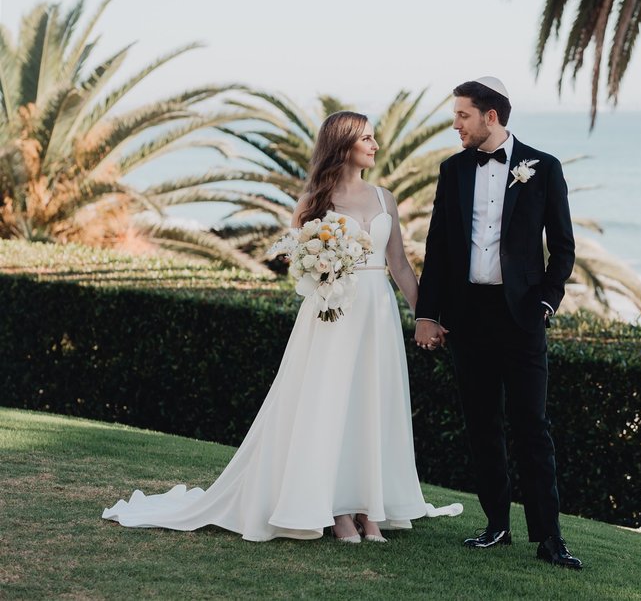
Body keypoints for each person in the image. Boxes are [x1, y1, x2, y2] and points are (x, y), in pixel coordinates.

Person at [103, 111, 461, 542]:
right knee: (329, 403)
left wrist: (427, 317)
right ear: (343, 145)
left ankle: (370, 508)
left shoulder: (385, 198)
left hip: (378, 313)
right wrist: (324, 275)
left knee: (373, 402)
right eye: (366, 138)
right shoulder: (316, 200)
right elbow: (302, 264)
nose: (375, 145)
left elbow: (399, 265)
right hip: (334, 312)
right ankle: (337, 510)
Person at [414, 77, 581, 568]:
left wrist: (546, 304)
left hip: (522, 317)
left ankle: (550, 538)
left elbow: (564, 248)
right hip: (468, 317)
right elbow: (439, 247)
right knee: (482, 425)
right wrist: (428, 313)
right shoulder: (453, 169)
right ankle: (496, 525)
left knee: (533, 425)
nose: (455, 124)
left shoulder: (543, 168)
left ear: (491, 116)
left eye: (462, 115)